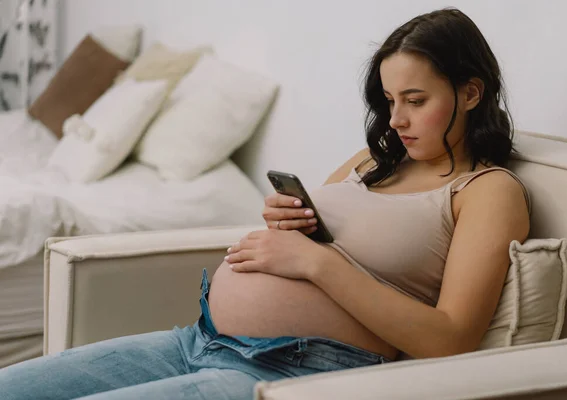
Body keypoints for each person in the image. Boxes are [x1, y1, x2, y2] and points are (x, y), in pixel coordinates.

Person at [0, 7, 530, 400]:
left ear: (471, 93)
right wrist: (289, 224)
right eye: (390, 101)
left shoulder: (487, 191)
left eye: (416, 102)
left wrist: (315, 263)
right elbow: (320, 241)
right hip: (198, 339)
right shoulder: (375, 160)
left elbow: (451, 338)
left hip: (291, 374)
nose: (395, 120)